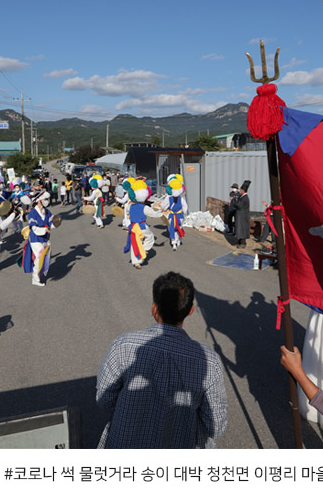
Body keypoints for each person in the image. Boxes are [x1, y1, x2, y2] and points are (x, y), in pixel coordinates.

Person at [96, 271, 228, 448]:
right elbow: (216, 426)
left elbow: (104, 400)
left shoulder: (123, 345)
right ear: (190, 310)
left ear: (154, 308)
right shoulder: (209, 361)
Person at [26, 191, 55, 286]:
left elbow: (52, 222)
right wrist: (44, 229)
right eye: (44, 199)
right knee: (40, 256)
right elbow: (34, 228)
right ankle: (35, 279)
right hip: (35, 238)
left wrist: (56, 222)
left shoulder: (47, 211)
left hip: (45, 238)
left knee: (46, 257)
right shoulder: (32, 213)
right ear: (39, 201)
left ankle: (39, 273)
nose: (46, 201)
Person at [234, 180, 251, 248]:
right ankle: (240, 241)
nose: (240, 191)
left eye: (241, 190)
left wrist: (235, 200)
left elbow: (239, 205)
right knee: (240, 229)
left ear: (243, 190)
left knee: (242, 229)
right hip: (241, 215)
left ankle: (243, 243)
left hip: (243, 216)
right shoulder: (243, 197)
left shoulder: (245, 198)